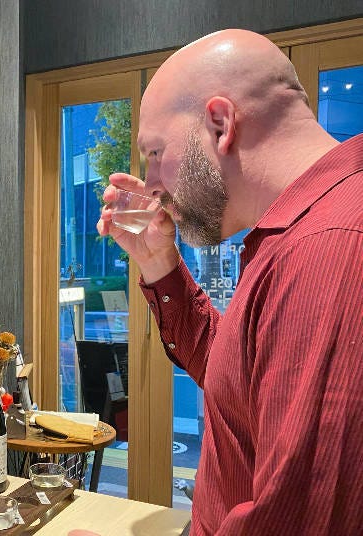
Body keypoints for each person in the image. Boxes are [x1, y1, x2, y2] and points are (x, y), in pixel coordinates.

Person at [97, 29, 363, 535]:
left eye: (154, 152)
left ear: (220, 124)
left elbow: (300, 522)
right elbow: (237, 380)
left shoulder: (330, 247)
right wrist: (159, 262)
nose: (151, 183)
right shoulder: (299, 232)